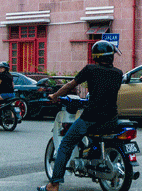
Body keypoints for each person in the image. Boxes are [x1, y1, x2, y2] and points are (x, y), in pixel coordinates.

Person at [37, 40, 123, 191]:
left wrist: (55, 95)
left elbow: (70, 85)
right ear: (111, 57)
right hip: (111, 118)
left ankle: (54, 184)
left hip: (91, 117)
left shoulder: (90, 69)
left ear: (96, 56)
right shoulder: (118, 73)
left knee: (66, 144)